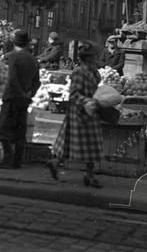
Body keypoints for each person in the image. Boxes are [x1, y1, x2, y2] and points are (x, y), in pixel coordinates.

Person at [46, 40, 104, 188]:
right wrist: (86, 101)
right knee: (73, 144)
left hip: (91, 112)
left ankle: (89, 175)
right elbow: (73, 94)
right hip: (79, 114)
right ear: (89, 58)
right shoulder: (79, 72)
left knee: (92, 146)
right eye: (95, 57)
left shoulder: (94, 72)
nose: (97, 59)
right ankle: (55, 163)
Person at [0, 30, 41, 170]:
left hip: (12, 97)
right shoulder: (33, 59)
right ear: (27, 43)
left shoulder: (14, 57)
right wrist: (29, 94)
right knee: (20, 131)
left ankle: (8, 157)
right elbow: (37, 82)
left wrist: (20, 92)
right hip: (24, 100)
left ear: (14, 43)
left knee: (3, 128)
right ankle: (17, 161)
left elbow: (13, 78)